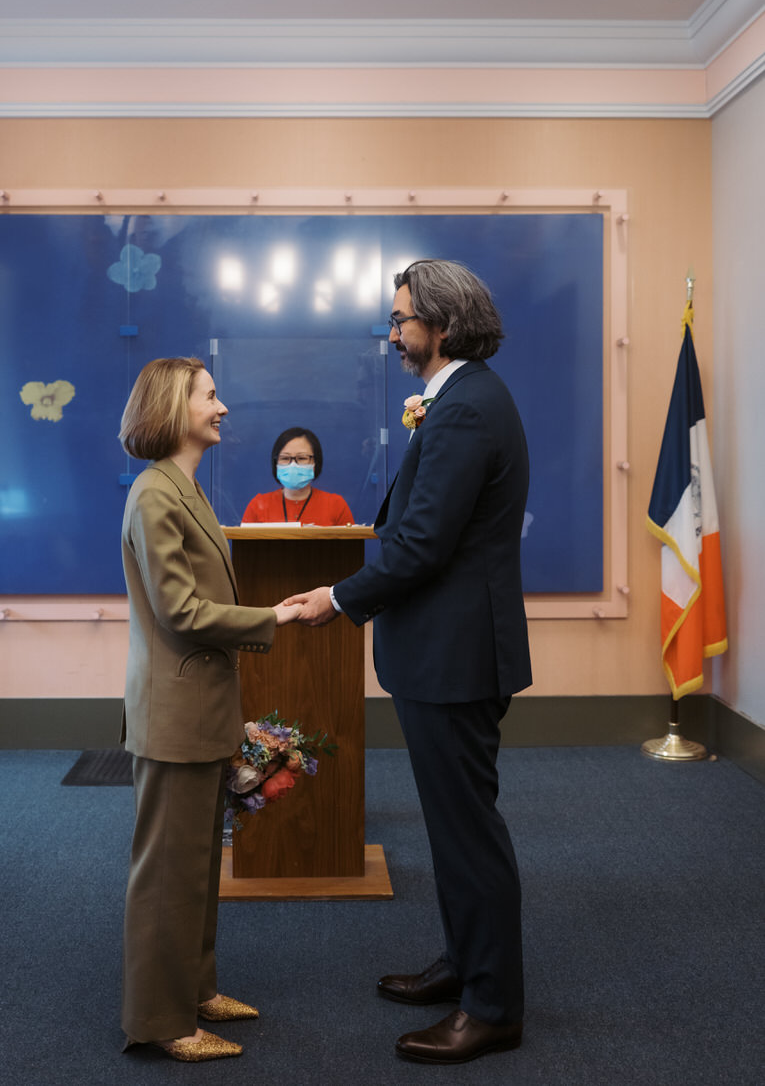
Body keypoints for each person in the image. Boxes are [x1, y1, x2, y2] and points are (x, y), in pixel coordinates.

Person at [284, 259, 531, 1065]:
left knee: (467, 835)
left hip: (454, 658)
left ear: (444, 325)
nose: (391, 334)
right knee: (453, 828)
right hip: (444, 652)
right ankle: (465, 966)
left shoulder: (463, 411)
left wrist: (340, 597)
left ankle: (491, 1007)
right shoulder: (460, 399)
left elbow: (422, 543)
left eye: (400, 321)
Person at [118, 356, 300, 1062]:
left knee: (195, 866)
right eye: (211, 396)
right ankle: (160, 1021)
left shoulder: (180, 486)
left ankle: (194, 990)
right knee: (166, 875)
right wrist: (272, 618)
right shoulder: (155, 495)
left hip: (198, 709)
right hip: (174, 715)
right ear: (174, 406)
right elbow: (181, 611)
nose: (222, 408)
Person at [241, 425, 354, 525]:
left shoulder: (336, 505)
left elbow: (351, 547)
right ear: (275, 463)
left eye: (302, 458)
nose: (293, 465)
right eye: (285, 458)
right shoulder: (258, 505)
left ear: (315, 462)